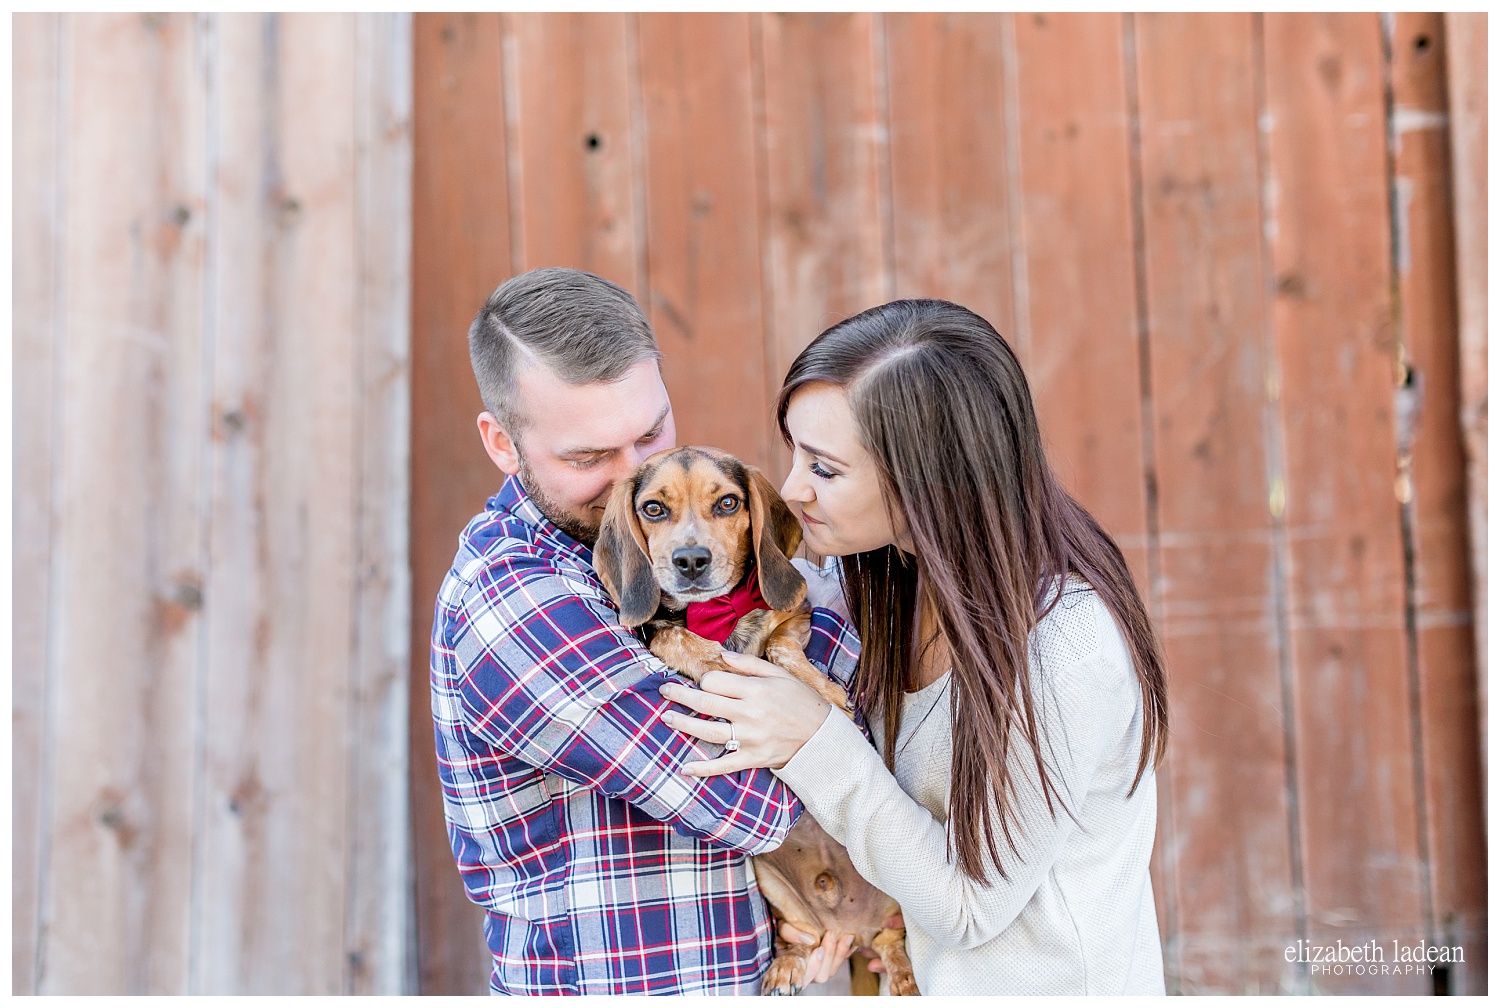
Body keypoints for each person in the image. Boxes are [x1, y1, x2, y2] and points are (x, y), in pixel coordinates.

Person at [657, 298, 1170, 995]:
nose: (793, 488)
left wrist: (814, 739)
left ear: (930, 480)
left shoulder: (1066, 648)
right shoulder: (876, 582)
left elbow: (969, 907)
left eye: (826, 469)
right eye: (795, 454)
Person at [428, 266, 863, 995]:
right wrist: (823, 674)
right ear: (502, 444)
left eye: (651, 430)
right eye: (589, 457)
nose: (636, 476)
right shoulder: (515, 604)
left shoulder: (679, 536)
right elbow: (748, 804)